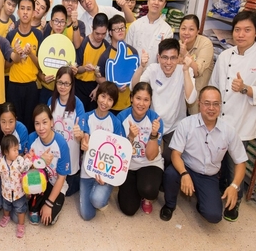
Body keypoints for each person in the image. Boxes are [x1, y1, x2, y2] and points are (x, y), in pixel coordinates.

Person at [209, 10, 256, 221]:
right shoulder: (225, 56)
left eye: (247, 30)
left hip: (242, 123)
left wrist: (246, 88)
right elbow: (214, 84)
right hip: (220, 119)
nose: (240, 34)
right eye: (237, 29)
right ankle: (218, 192)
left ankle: (233, 204)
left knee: (234, 165)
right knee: (217, 160)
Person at [160, 86, 247, 223]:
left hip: (209, 176)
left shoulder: (229, 131)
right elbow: (175, 155)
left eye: (215, 104)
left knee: (214, 216)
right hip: (186, 167)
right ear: (199, 103)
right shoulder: (186, 124)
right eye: (207, 103)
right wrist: (184, 173)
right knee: (171, 173)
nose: (211, 108)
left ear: (220, 106)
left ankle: (202, 201)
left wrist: (234, 186)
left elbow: (240, 162)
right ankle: (169, 205)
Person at [131, 38, 196, 168]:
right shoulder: (152, 69)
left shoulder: (185, 71)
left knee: (169, 158)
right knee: (149, 157)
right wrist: (141, 67)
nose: (168, 62)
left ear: (178, 58)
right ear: (158, 57)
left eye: (173, 58)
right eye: (165, 57)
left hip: (175, 126)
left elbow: (191, 99)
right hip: (154, 123)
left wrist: (185, 71)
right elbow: (135, 88)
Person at [80, 81, 125, 221]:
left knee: (98, 201)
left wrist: (105, 177)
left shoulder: (115, 123)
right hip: (87, 171)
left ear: (114, 103)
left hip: (105, 172)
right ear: (97, 95)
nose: (105, 102)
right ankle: (94, 192)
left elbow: (120, 152)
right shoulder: (86, 117)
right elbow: (83, 136)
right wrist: (83, 141)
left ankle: (102, 195)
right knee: (87, 215)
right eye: (103, 96)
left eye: (110, 99)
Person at [117, 82, 163, 216]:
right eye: (138, 98)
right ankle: (134, 187)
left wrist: (154, 135)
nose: (141, 104)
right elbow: (119, 154)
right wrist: (130, 137)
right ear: (131, 98)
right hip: (128, 165)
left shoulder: (155, 120)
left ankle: (146, 197)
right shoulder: (121, 117)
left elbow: (150, 156)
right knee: (129, 209)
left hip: (149, 164)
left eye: (146, 100)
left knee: (149, 190)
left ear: (150, 102)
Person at [26, 104, 71, 226]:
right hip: (38, 180)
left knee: (48, 221)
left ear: (52, 122)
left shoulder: (61, 143)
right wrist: (40, 160)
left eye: (44, 122)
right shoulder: (31, 139)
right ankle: (34, 207)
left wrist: (49, 204)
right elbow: (25, 169)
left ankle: (50, 200)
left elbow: (61, 178)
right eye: (37, 124)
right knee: (35, 174)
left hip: (56, 183)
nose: (41, 128)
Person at [6, 0, 43, 132]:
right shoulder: (11, 35)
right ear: (18, 11)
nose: (25, 12)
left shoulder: (38, 35)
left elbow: (41, 66)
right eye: (22, 8)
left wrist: (30, 54)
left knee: (30, 124)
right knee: (13, 124)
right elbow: (5, 65)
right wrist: (16, 55)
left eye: (29, 9)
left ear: (34, 12)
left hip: (31, 87)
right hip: (13, 86)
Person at [48, 66, 86, 196]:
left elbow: (83, 133)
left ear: (72, 85)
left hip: (72, 155)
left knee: (68, 191)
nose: (62, 87)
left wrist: (80, 134)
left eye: (66, 83)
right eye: (59, 82)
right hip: (55, 153)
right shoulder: (51, 101)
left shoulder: (78, 104)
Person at [0, 134, 32, 238]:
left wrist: (29, 159)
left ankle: (21, 225)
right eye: (14, 150)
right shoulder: (0, 162)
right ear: (6, 152)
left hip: (18, 194)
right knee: (6, 206)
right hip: (6, 192)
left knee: (20, 209)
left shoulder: (20, 160)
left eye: (17, 149)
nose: (17, 152)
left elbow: (25, 168)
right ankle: (6, 216)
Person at [0, 102, 29, 211]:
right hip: (0, 170)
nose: (7, 127)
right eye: (3, 122)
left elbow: (20, 157)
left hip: (15, 172)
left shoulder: (22, 130)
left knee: (18, 212)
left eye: (11, 122)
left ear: (16, 119)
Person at [94, 14, 137, 114]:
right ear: (110, 32)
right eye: (116, 29)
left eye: (122, 27)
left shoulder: (133, 52)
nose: (120, 31)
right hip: (110, 106)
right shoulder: (105, 56)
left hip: (128, 104)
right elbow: (98, 77)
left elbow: (136, 76)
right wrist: (114, 86)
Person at [125, 0, 173, 64]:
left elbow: (166, 59)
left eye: (161, 0)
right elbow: (126, 53)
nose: (156, 3)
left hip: (155, 74)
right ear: (148, 1)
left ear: (164, 4)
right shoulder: (135, 25)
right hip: (134, 73)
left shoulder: (167, 30)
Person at [179, 14, 214, 114]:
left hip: (198, 97)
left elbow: (197, 72)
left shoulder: (205, 44)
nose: (186, 33)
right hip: (180, 96)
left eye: (191, 29)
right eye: (183, 28)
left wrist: (185, 53)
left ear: (198, 31)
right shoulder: (177, 45)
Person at [37, 5, 72, 104]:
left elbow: (72, 66)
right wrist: (42, 77)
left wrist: (73, 70)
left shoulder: (68, 44)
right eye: (56, 21)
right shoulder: (44, 41)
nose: (59, 24)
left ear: (65, 24)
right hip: (46, 89)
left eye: (62, 22)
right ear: (51, 23)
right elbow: (37, 68)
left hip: (64, 91)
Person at [75, 13, 109, 112]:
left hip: (96, 86)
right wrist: (85, 68)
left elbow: (104, 74)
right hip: (80, 86)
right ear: (92, 28)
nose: (100, 37)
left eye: (103, 34)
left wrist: (98, 88)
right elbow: (76, 69)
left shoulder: (106, 47)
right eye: (97, 33)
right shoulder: (84, 43)